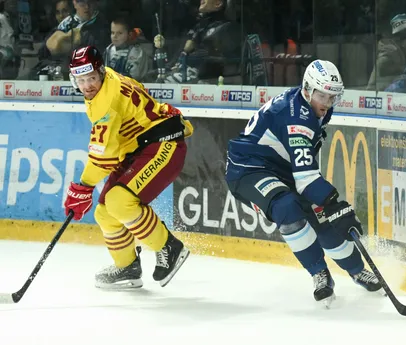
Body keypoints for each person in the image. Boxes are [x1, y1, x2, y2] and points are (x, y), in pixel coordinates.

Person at [225, 59, 382, 306]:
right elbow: (307, 178)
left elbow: (304, 170)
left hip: (283, 169)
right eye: (323, 96)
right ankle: (319, 272)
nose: (328, 103)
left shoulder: (315, 106)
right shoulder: (296, 118)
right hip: (249, 169)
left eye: (333, 97)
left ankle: (356, 269)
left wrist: (330, 208)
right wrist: (334, 202)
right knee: (287, 207)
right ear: (307, 89)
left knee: (323, 220)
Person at [63, 46, 193, 289]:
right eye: (81, 80)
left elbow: (105, 158)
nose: (88, 85)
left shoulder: (105, 102)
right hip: (142, 147)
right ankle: (128, 266)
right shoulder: (109, 78)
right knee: (105, 212)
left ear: (100, 72)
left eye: (91, 78)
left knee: (118, 201)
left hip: (163, 145)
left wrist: (82, 187)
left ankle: (168, 247)